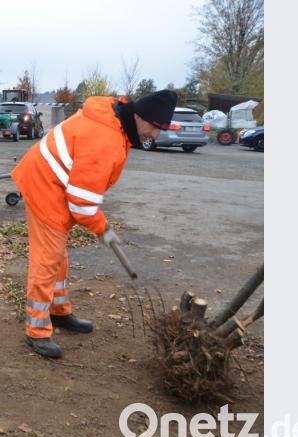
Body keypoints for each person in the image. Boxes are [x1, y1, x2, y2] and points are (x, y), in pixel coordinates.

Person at [10, 90, 178, 358]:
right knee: (47, 258)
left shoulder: (116, 122)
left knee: (57, 256)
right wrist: (104, 230)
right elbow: (82, 205)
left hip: (57, 183)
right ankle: (37, 330)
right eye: (155, 127)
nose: (155, 136)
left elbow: (81, 195)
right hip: (45, 184)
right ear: (138, 116)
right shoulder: (106, 138)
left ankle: (59, 311)